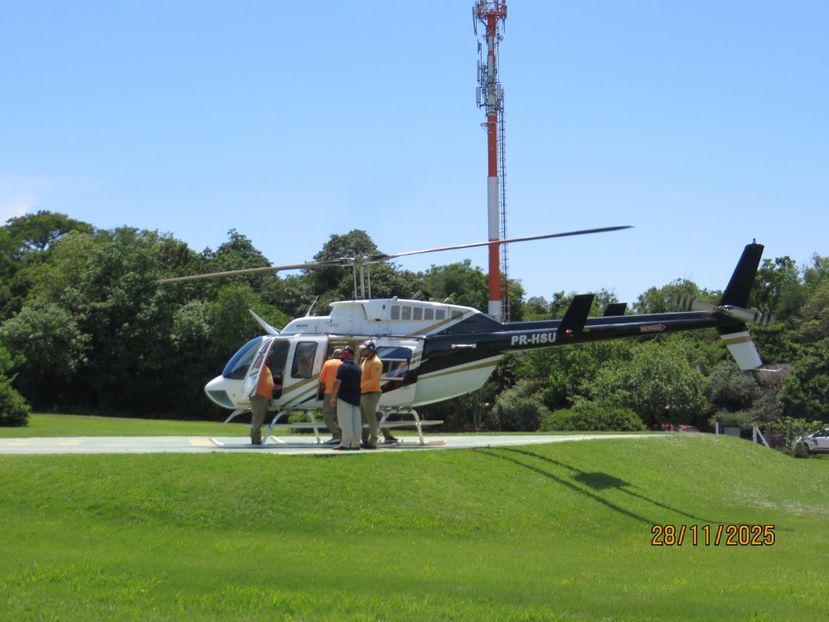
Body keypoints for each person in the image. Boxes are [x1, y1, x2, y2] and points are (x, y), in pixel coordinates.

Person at [360, 341, 398, 448]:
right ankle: (364, 440)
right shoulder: (365, 360)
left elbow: (374, 380)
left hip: (371, 393)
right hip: (364, 392)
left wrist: (360, 386)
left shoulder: (376, 362)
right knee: (364, 417)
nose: (363, 350)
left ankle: (373, 441)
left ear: (371, 349)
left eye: (365, 349)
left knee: (371, 416)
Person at [329, 346, 362, 450]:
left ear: (348, 354)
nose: (342, 355)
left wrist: (333, 397)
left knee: (345, 422)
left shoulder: (343, 367)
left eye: (344, 353)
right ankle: (356, 443)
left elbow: (337, 382)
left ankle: (345, 443)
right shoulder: (358, 367)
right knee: (356, 422)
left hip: (344, 398)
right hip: (356, 398)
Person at [317, 348, 344, 444]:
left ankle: (337, 435)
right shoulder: (344, 364)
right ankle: (342, 435)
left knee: (327, 416)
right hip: (342, 394)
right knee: (339, 416)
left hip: (329, 393)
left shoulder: (328, 363)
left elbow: (322, 380)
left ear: (333, 355)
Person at [249, 350, 274, 446]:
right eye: (267, 356)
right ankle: (255, 439)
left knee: (260, 417)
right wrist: (266, 353)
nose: (269, 358)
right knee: (258, 417)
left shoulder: (264, 367)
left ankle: (256, 437)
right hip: (259, 395)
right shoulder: (258, 366)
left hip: (264, 396)